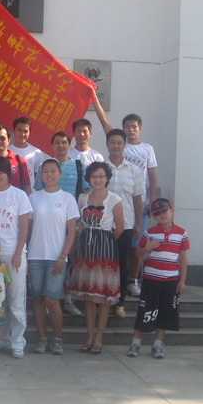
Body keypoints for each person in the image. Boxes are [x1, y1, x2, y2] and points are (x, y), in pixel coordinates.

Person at [92, 94, 158, 296]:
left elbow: (152, 176)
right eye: (127, 126)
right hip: (109, 214)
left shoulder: (147, 149)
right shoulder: (117, 148)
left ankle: (132, 280)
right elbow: (105, 124)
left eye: (134, 126)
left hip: (135, 204)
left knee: (136, 245)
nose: (130, 130)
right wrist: (94, 99)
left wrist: (151, 200)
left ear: (140, 128)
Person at [0, 156, 32, 358]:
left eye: (0, 173)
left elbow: (25, 227)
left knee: (16, 301)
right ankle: (0, 340)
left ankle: (17, 342)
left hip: (14, 254)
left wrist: (18, 253)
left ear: (8, 174)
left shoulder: (19, 195)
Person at [71, 161, 124, 355]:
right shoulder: (83, 198)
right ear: (89, 178)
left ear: (107, 178)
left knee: (103, 298)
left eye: (101, 176)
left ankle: (99, 337)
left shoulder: (115, 199)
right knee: (88, 297)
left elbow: (119, 228)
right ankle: (89, 336)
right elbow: (78, 224)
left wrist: (104, 241)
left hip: (105, 250)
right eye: (94, 176)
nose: (98, 180)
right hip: (85, 249)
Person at [28, 159, 79, 355]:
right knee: (38, 299)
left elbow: (72, 232)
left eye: (53, 171)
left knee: (52, 299)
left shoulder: (67, 199)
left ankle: (57, 339)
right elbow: (28, 228)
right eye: (45, 171)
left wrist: (63, 256)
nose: (49, 175)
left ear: (59, 173)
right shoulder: (33, 198)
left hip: (57, 257)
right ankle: (42, 338)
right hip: (35, 256)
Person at [127, 199, 189, 359]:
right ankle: (135, 343)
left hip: (171, 281)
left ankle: (157, 344)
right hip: (151, 280)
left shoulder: (181, 233)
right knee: (144, 311)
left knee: (165, 313)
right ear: (154, 216)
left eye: (164, 211)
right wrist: (147, 248)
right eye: (157, 213)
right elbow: (137, 253)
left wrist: (182, 281)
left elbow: (183, 258)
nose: (162, 215)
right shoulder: (149, 233)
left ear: (172, 210)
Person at [36, 131, 89, 317]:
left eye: (64, 142)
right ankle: (50, 299)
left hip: (71, 220)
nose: (60, 146)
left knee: (70, 260)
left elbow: (84, 193)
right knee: (50, 260)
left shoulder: (78, 166)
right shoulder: (46, 167)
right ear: (52, 146)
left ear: (69, 145)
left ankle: (67, 299)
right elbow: (40, 192)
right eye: (57, 142)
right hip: (50, 222)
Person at [105, 129, 145, 319]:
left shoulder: (134, 170)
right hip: (104, 225)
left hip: (126, 225)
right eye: (112, 142)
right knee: (104, 264)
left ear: (124, 145)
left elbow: (137, 199)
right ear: (107, 144)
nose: (115, 146)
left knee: (122, 265)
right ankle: (103, 300)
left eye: (119, 143)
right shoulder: (101, 168)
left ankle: (119, 302)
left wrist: (138, 224)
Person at [9, 116, 44, 192]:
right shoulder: (7, 151)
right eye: (19, 130)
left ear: (29, 132)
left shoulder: (36, 152)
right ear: (14, 130)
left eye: (25, 131)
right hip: (10, 194)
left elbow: (39, 178)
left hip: (30, 195)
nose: (22, 134)